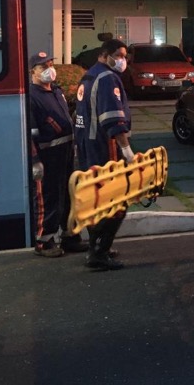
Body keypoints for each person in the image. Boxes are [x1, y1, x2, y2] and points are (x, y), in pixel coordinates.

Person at [74, 39, 137, 271]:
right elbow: (113, 120)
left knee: (96, 201)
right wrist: (127, 150)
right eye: (119, 55)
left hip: (86, 148)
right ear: (104, 55)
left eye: (125, 56)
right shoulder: (108, 78)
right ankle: (100, 253)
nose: (123, 60)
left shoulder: (89, 75)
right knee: (117, 203)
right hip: (103, 148)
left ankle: (96, 248)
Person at [28, 51, 87, 258]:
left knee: (70, 196)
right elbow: (30, 134)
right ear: (32, 72)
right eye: (43, 67)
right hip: (47, 157)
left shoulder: (56, 91)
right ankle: (44, 242)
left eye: (51, 65)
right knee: (49, 198)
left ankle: (70, 236)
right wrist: (35, 161)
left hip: (66, 153)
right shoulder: (31, 97)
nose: (49, 70)